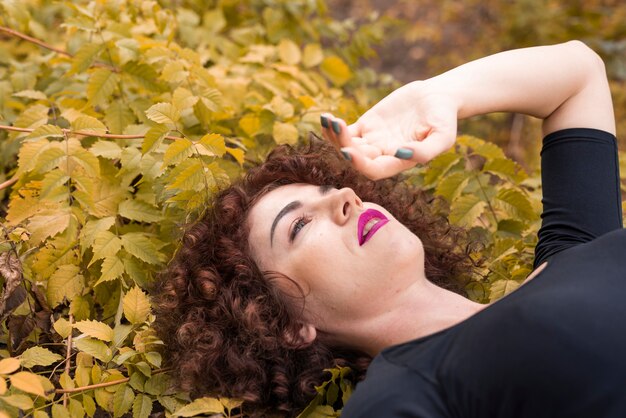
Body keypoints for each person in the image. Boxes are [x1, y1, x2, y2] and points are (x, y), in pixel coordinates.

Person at [154, 40, 626, 417]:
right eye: (298, 225)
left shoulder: (570, 253)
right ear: (286, 325)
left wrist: (438, 94)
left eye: (331, 193)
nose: (345, 197)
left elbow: (579, 74)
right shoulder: (410, 394)